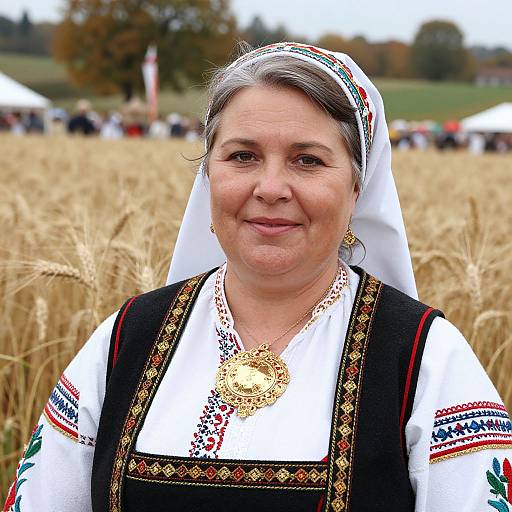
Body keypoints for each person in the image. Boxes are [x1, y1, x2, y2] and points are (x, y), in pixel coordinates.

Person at [5, 42, 511, 512]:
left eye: (307, 160)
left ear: (357, 187)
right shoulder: (125, 340)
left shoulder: (424, 358)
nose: (270, 188)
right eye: (242, 156)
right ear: (208, 176)